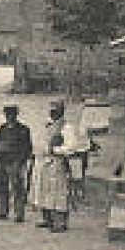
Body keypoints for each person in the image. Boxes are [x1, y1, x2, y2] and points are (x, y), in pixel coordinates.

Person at [32, 99, 86, 232]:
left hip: (58, 163)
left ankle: (60, 223)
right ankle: (48, 219)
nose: (53, 113)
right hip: (44, 162)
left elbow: (71, 147)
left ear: (62, 111)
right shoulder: (47, 125)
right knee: (44, 191)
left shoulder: (67, 128)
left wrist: (56, 150)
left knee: (58, 192)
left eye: (56, 111)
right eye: (51, 110)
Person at [0, 104, 34, 221]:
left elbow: (27, 148)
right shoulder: (2, 128)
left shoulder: (23, 129)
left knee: (17, 187)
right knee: (1, 186)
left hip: (15, 162)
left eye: (12, 114)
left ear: (16, 115)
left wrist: (20, 161)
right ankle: (2, 211)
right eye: (7, 115)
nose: (9, 117)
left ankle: (19, 214)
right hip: (0, 161)